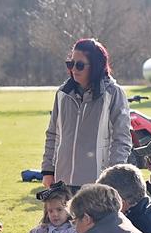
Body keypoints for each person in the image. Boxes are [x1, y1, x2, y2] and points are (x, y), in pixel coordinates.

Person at [41, 37, 131, 191]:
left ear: (95, 66)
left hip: (98, 183)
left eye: (80, 65)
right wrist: (48, 170)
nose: (74, 69)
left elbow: (121, 140)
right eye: (71, 64)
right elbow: (53, 134)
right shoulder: (63, 94)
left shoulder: (114, 93)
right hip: (63, 182)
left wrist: (111, 177)